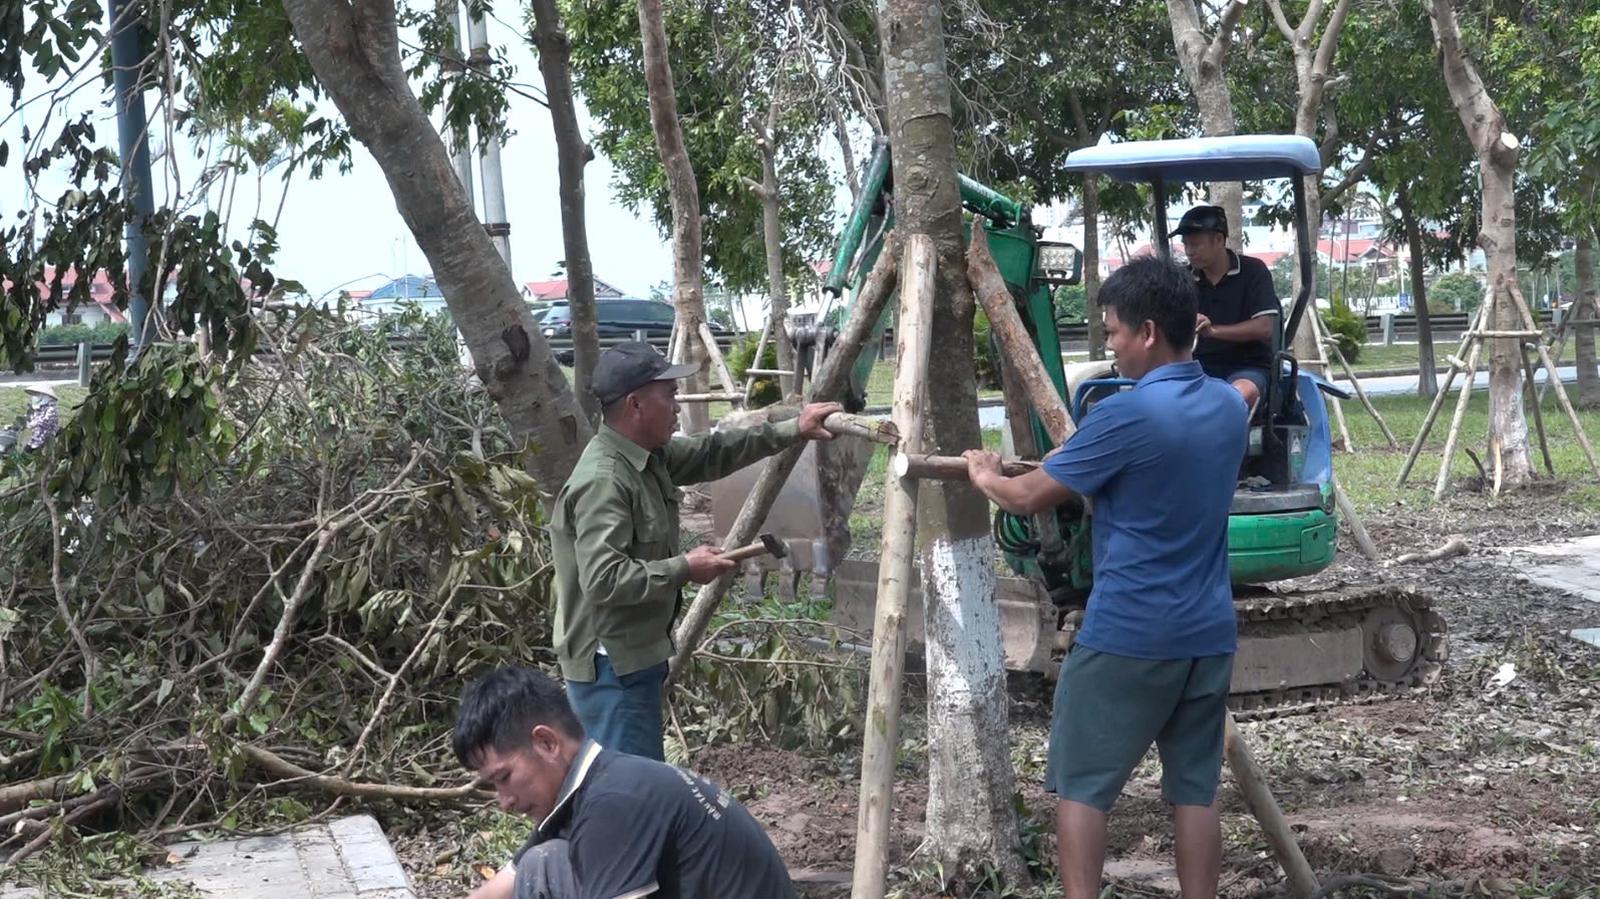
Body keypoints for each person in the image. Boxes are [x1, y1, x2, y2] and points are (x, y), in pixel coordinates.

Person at [962, 256, 1247, 899]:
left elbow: (1027, 497)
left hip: (1129, 633)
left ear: (1148, 331)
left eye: (1113, 331)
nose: (1110, 346)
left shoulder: (1124, 417)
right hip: (1207, 634)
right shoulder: (1229, 406)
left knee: (1081, 789)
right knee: (1195, 792)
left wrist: (985, 475)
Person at [550, 340, 841, 761]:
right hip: (611, 668)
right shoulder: (605, 481)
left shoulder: (647, 457)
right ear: (635, 405)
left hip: (631, 658)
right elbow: (604, 580)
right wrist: (684, 568)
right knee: (628, 787)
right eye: (669, 395)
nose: (677, 407)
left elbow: (713, 451)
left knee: (629, 780)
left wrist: (794, 427)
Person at [453, 667, 797, 899]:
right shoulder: (596, 784)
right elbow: (506, 884)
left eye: (504, 778)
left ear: (547, 743)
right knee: (540, 865)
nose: (505, 801)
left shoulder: (614, 803)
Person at [1170, 204, 1280, 413]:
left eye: (1195, 244)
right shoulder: (1182, 279)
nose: (1189, 252)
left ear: (1219, 240)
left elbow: (1264, 327)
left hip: (1248, 366)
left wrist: (1212, 331)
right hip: (1195, 367)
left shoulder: (1253, 271)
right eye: (1185, 245)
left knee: (1236, 397)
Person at [23, 385, 60, 451]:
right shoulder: (37, 409)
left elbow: (43, 423)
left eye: (38, 394)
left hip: (44, 440)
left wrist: (30, 425)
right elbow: (28, 418)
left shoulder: (51, 409)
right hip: (33, 438)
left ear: (44, 396)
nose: (35, 397)